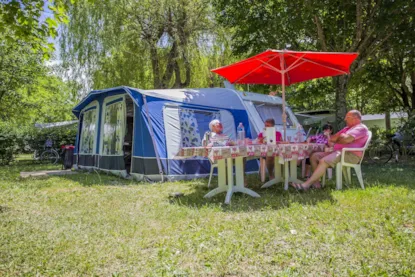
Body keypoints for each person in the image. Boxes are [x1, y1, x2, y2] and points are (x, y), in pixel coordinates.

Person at [292, 110, 369, 190]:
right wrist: (341, 137)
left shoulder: (360, 128)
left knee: (324, 161)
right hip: (338, 152)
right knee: (314, 156)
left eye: (347, 117)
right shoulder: (347, 128)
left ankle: (305, 185)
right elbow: (332, 139)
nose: (345, 119)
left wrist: (340, 138)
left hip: (350, 154)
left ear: (355, 118)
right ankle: (316, 183)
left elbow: (346, 139)